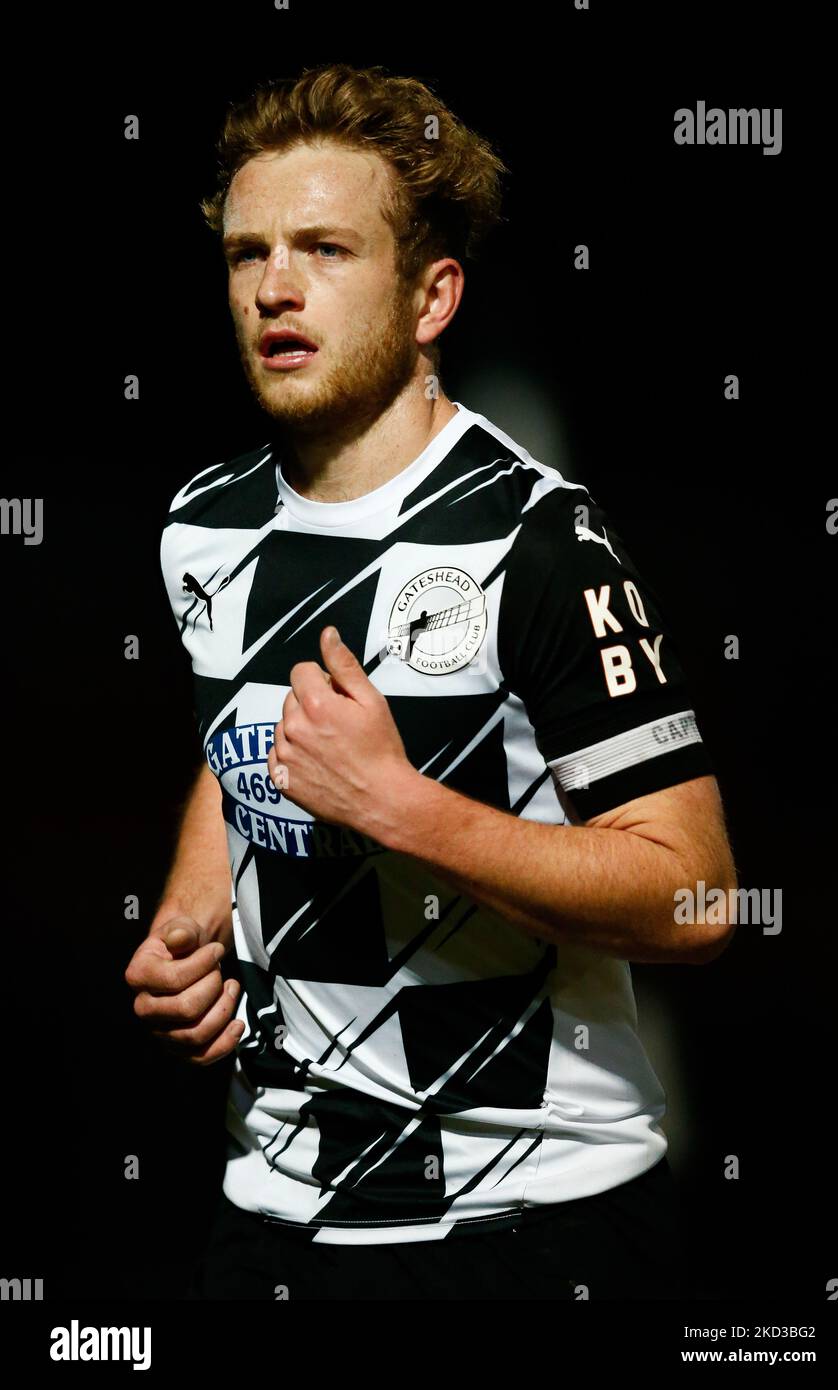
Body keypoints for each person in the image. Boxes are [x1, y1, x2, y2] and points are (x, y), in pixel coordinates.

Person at [124, 63, 737, 1301]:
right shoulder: (204, 521)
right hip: (276, 1211)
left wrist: (400, 809)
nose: (275, 287)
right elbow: (245, 724)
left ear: (430, 296)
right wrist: (191, 928)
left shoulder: (537, 539)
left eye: (325, 249)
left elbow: (699, 900)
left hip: (533, 1225)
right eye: (248, 254)